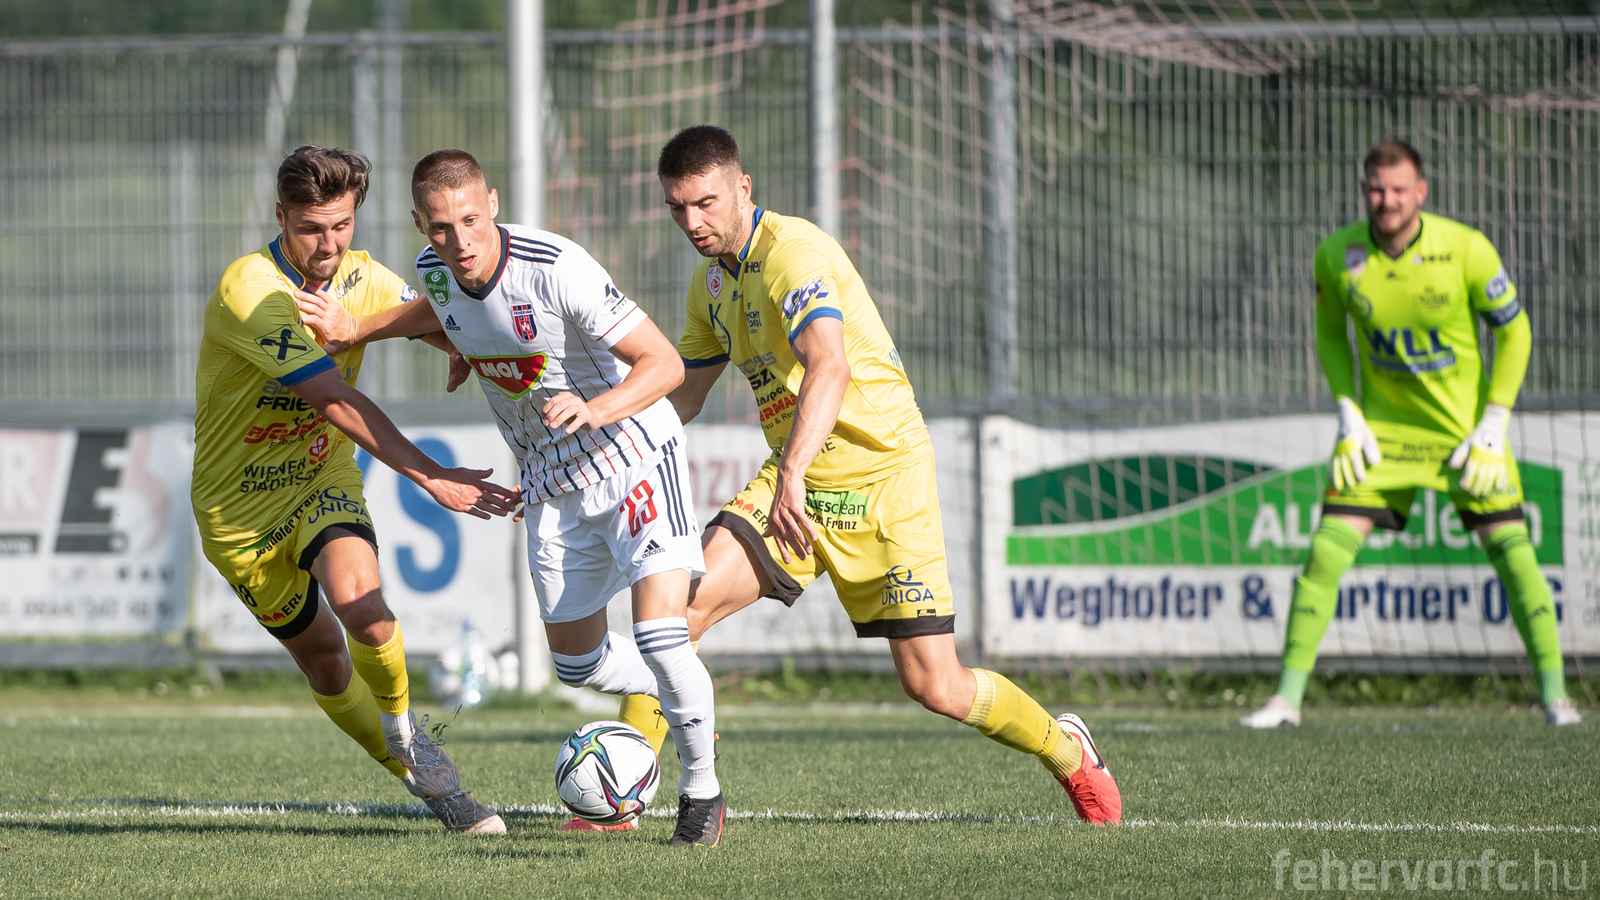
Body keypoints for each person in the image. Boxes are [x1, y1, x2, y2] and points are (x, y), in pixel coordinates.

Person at [597, 125, 1120, 827]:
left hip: (884, 482)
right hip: (795, 486)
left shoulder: (794, 253)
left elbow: (830, 366)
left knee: (935, 684)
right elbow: (683, 395)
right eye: (677, 208)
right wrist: (606, 444)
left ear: (743, 188)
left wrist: (792, 472)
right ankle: (623, 790)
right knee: (673, 615)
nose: (691, 222)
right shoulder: (710, 285)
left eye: (705, 203)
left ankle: (1068, 751)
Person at [297, 149, 728, 847]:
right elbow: (436, 309)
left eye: (471, 220)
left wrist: (596, 408)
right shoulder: (437, 269)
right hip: (551, 481)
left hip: (635, 458)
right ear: (421, 225)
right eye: (441, 227)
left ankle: (701, 794)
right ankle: (672, 684)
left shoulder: (555, 267)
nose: (459, 240)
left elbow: (665, 364)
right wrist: (363, 329)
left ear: (492, 204)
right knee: (578, 664)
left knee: (659, 633)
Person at [191, 145, 520, 835]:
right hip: (237, 514)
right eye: (311, 228)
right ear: (280, 217)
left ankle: (413, 747)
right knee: (325, 662)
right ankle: (405, 758)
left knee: (364, 609)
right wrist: (430, 474)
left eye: (341, 225)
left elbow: (436, 316)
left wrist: (456, 345)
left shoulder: (362, 276)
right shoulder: (251, 292)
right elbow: (335, 399)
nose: (329, 244)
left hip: (321, 478)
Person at [1240, 140, 1580, 729]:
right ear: (1363, 190)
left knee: (1516, 555)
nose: (1387, 200)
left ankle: (1558, 700)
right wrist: (1348, 413)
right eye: (1377, 188)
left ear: (1421, 191)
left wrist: (1494, 423)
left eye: (1399, 189)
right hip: (1383, 438)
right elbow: (1329, 336)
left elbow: (1516, 332)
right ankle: (1285, 702)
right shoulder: (1336, 255)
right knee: (1325, 552)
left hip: (1466, 438)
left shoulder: (1466, 249)